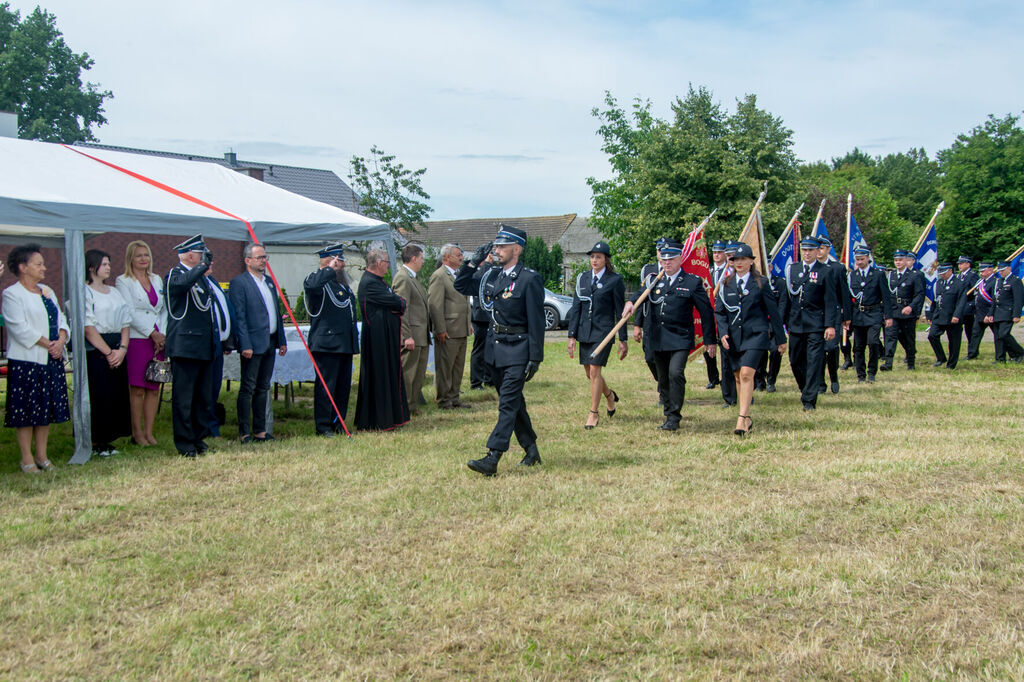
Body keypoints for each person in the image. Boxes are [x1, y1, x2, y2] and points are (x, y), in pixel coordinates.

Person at [455, 224, 544, 474]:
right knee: (514, 403)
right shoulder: (492, 275)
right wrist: (472, 264)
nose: (497, 250)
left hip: (518, 350)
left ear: (517, 249)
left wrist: (535, 357)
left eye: (502, 246)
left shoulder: (529, 278)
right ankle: (532, 450)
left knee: (507, 404)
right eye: (496, 245)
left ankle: (493, 457)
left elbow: (537, 321)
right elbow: (461, 286)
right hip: (495, 351)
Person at [622, 237, 716, 431]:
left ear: (680, 259)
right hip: (658, 337)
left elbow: (706, 312)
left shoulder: (692, 282)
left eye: (671, 259)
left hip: (680, 337)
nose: (667, 263)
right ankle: (668, 412)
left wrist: (710, 341)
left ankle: (674, 416)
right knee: (663, 377)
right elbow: (640, 294)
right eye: (664, 259)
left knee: (675, 373)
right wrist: (630, 302)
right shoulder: (654, 281)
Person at [3, 244, 69, 473]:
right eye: (38, 263)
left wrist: (61, 340)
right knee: (26, 412)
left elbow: (61, 318)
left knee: (44, 410)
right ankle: (27, 458)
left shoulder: (47, 290)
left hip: (51, 359)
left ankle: (42, 456)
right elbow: (18, 327)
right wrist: (48, 344)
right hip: (27, 361)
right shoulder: (12, 294)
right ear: (23, 267)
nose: (44, 267)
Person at [715, 243, 785, 435]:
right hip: (734, 337)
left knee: (747, 374)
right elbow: (719, 312)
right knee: (738, 376)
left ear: (751, 261)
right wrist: (722, 333)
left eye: (743, 259)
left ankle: (742, 418)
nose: (739, 263)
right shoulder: (725, 284)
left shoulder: (761, 283)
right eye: (735, 260)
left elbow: (774, 313)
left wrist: (781, 339)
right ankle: (746, 415)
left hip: (756, 335)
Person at [229, 243, 287, 444]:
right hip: (252, 343)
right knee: (248, 387)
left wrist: (281, 339)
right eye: (259, 257)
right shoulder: (240, 283)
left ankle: (260, 430)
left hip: (269, 341)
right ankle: (245, 432)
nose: (264, 260)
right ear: (247, 260)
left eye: (265, 257)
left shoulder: (269, 282)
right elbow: (240, 316)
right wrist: (244, 344)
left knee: (263, 387)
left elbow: (276, 313)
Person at [165, 234, 217, 457]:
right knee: (184, 398)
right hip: (184, 345)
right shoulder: (175, 274)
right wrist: (202, 268)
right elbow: (181, 286)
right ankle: (185, 442)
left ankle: (198, 437)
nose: (204, 257)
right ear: (187, 254)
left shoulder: (202, 278)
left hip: (203, 345)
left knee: (201, 397)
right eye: (200, 253)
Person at [566, 241, 627, 429]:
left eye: (598, 257)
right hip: (585, 330)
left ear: (606, 260)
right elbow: (577, 308)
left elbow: (621, 312)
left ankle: (593, 413)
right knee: (589, 372)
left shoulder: (614, 280)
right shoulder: (582, 278)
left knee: (594, 370)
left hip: (604, 332)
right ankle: (609, 395)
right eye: (592, 256)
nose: (594, 260)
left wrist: (623, 339)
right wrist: (571, 336)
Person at [115, 240, 167, 446]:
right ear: (131, 259)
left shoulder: (156, 279)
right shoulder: (123, 281)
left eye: (146, 255)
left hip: (158, 340)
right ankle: (136, 433)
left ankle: (149, 432)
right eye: (139, 255)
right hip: (138, 338)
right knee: (137, 388)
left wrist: (161, 334)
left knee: (153, 387)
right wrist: (151, 333)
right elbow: (129, 311)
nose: (144, 259)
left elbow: (163, 309)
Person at [304, 244, 359, 437]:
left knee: (342, 388)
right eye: (340, 262)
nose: (343, 266)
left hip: (344, 344)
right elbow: (311, 286)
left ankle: (338, 423)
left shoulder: (341, 285)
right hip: (327, 344)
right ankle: (324, 425)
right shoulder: (317, 281)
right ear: (330, 261)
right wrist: (328, 269)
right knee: (326, 387)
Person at [780, 236, 838, 411]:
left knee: (814, 361)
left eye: (811, 250)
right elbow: (786, 299)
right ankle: (805, 387)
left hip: (816, 324)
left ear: (817, 251)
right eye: (804, 249)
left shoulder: (825, 271)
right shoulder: (793, 269)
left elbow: (830, 300)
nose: (807, 253)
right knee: (795, 360)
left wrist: (830, 325)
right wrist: (780, 324)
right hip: (795, 323)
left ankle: (809, 399)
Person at [83, 249, 132, 457]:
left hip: (117, 345)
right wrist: (108, 353)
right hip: (97, 348)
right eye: (104, 264)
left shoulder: (114, 292)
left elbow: (125, 322)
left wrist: (121, 349)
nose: (108, 268)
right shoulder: (85, 292)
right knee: (99, 394)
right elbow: (88, 327)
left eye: (109, 264)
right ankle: (96, 441)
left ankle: (109, 439)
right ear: (92, 267)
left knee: (115, 394)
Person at [354, 249, 410, 430]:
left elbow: (396, 302)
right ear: (378, 263)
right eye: (386, 262)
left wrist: (396, 303)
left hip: (385, 337)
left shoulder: (378, 282)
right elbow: (397, 302)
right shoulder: (370, 283)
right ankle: (380, 419)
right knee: (379, 377)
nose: (388, 266)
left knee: (389, 375)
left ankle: (392, 417)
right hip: (377, 339)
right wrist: (396, 303)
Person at [428, 243, 473, 410]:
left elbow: (464, 302)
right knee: (445, 367)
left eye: (461, 254)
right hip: (447, 330)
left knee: (458, 366)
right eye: (458, 255)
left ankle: (454, 398)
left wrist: (468, 322)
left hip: (460, 328)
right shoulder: (439, 276)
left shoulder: (458, 275)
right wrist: (440, 328)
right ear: (447, 257)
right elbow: (435, 305)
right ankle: (444, 400)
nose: (461, 257)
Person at [392, 244, 430, 414]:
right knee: (409, 373)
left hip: (421, 334)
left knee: (419, 372)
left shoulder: (412, 278)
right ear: (413, 258)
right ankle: (404, 406)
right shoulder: (403, 277)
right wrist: (406, 336)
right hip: (412, 335)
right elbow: (402, 309)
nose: (423, 261)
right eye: (421, 258)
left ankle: (413, 404)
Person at [847, 248, 893, 382]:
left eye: (862, 259)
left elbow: (886, 296)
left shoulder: (878, 274)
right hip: (858, 314)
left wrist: (888, 316)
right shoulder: (852, 276)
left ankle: (872, 371)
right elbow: (849, 298)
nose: (860, 262)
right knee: (858, 346)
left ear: (868, 258)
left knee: (873, 342)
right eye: (857, 259)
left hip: (874, 313)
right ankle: (861, 374)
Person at [816, 236, 851, 395]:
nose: (819, 251)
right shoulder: (812, 268)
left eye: (822, 248)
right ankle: (820, 382)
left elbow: (844, 292)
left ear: (828, 250)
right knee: (819, 350)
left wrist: (846, 316)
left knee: (831, 347)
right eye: (818, 248)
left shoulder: (837, 268)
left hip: (834, 313)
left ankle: (834, 376)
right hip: (816, 314)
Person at [881, 250, 925, 371]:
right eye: (896, 260)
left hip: (907, 311)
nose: (898, 262)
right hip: (894, 311)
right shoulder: (891, 275)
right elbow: (887, 295)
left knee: (908, 338)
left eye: (900, 260)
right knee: (890, 337)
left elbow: (919, 294)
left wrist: (911, 306)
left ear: (906, 260)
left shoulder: (914, 275)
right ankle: (888, 363)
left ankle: (911, 362)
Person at [204, 253, 233, 438]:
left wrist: (228, 340)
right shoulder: (196, 282)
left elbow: (225, 311)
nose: (212, 263)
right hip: (203, 344)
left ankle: (211, 426)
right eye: (207, 259)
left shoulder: (213, 281)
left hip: (218, 343)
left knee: (214, 388)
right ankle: (206, 427)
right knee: (204, 389)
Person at [927, 263, 967, 369]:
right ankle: (941, 357)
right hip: (939, 315)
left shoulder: (959, 284)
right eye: (940, 273)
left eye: (944, 273)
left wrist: (956, 315)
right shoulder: (939, 283)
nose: (942, 275)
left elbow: (961, 302)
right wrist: (930, 315)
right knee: (932, 336)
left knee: (954, 342)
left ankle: (951, 364)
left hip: (952, 316)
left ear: (950, 271)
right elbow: (935, 301)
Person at [704, 240, 728, 391]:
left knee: (725, 348)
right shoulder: (708, 272)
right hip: (709, 314)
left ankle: (727, 379)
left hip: (723, 314)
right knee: (708, 347)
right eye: (715, 252)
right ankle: (713, 378)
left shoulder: (729, 272)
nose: (717, 255)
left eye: (720, 252)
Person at [989, 260, 1024, 363]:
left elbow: (1019, 299)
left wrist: (1016, 314)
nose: (1001, 272)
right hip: (998, 312)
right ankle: (1000, 358)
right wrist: (991, 313)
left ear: (1009, 268)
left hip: (1008, 312)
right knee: (998, 337)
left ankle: (1019, 352)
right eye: (999, 270)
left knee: (1004, 334)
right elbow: (995, 299)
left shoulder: (1015, 280)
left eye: (1003, 270)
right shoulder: (999, 281)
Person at [968, 262, 998, 360]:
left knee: (999, 335)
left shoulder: (995, 281)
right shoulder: (981, 281)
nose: (981, 273)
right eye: (980, 271)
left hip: (990, 313)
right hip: (980, 313)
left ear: (990, 270)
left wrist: (990, 313)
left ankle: (1013, 353)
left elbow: (994, 299)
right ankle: (972, 354)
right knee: (975, 334)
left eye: (983, 271)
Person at [956, 256, 979, 358]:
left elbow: (976, 291)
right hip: (959, 306)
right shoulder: (959, 276)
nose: (959, 265)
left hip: (968, 306)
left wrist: (971, 304)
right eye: (959, 264)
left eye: (962, 263)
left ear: (968, 264)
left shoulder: (972, 275)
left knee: (969, 330)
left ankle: (972, 350)